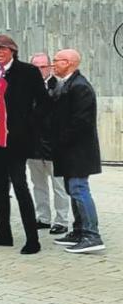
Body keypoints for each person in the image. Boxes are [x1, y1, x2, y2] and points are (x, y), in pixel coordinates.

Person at [0, 34, 46, 255]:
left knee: (20, 186)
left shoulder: (28, 72)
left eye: (2, 49)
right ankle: (3, 233)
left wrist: (27, 127)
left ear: (12, 50)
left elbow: (42, 104)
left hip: (16, 141)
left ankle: (33, 239)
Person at [47, 49, 105, 253]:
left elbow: (81, 121)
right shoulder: (65, 84)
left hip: (78, 150)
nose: (53, 64)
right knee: (72, 190)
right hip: (68, 150)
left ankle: (92, 235)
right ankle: (79, 230)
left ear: (70, 63)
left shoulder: (80, 87)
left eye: (57, 61)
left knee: (79, 189)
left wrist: (62, 140)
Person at [26, 52, 71, 235]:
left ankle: (61, 220)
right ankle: (43, 217)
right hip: (33, 145)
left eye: (42, 67)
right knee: (38, 184)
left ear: (50, 67)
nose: (39, 70)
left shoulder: (60, 87)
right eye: (35, 67)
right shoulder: (25, 88)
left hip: (54, 146)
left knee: (59, 185)